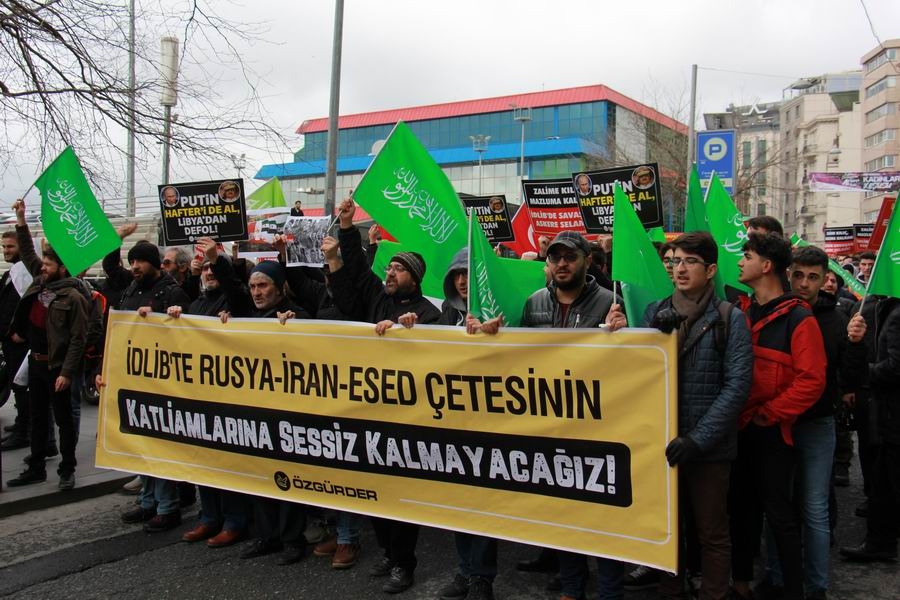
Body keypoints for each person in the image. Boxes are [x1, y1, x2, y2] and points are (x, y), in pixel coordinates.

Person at [608, 232, 753, 600]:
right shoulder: (655, 312)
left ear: (711, 269)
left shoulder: (729, 318)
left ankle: (713, 593)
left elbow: (736, 387)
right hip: (663, 445)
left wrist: (697, 439)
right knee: (668, 529)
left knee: (712, 532)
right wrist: (630, 334)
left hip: (708, 450)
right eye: (674, 262)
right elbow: (637, 375)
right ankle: (671, 590)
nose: (680, 269)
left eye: (690, 261)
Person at [327, 197, 440, 594]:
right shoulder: (378, 299)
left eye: (398, 268)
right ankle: (389, 555)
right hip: (369, 412)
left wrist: (415, 331)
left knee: (402, 498)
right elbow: (356, 272)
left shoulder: (428, 314)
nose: (389, 272)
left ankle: (404, 564)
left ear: (415, 276)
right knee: (375, 494)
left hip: (405, 422)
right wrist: (346, 226)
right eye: (389, 267)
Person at [757, 246, 865, 600]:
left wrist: (856, 344)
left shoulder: (838, 318)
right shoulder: (776, 312)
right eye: (798, 275)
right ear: (789, 274)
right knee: (778, 505)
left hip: (816, 423)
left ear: (825, 280)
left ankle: (816, 585)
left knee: (814, 507)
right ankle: (775, 576)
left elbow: (847, 379)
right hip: (776, 422)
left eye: (813, 277)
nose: (804, 283)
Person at [521, 229, 625, 600]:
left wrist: (624, 334)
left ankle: (611, 589)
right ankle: (571, 586)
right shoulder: (533, 303)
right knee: (564, 511)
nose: (561, 263)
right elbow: (518, 360)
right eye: (555, 257)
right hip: (551, 425)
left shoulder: (611, 303)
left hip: (598, 427)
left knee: (604, 512)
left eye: (570, 257)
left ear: (587, 261)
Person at [730, 233, 826, 600]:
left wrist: (770, 414)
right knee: (741, 509)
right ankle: (741, 585)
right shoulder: (741, 309)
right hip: (739, 429)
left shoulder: (800, 318)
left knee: (781, 516)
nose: (740, 262)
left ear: (766, 266)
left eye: (747, 255)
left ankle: (794, 591)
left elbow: (812, 380)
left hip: (771, 433)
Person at [167, 238, 253, 549]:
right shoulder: (197, 304)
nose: (209, 274)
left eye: (212, 270)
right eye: (205, 270)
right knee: (203, 460)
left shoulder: (236, 301)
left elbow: (233, 285)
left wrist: (219, 260)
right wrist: (175, 316)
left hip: (228, 396)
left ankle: (234, 521)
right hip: (199, 395)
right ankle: (209, 516)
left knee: (226, 463)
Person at [6, 199, 90, 491]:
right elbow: (27, 250)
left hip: (58, 368)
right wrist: (20, 218)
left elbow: (79, 339)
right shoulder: (41, 281)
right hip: (37, 362)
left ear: (62, 268)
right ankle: (36, 467)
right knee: (38, 419)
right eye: (42, 264)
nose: (42, 268)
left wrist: (67, 373)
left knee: (64, 421)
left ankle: (67, 470)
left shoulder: (74, 297)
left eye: (49, 264)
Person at [237, 261, 313, 565]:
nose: (256, 292)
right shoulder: (249, 318)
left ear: (280, 287)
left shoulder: (298, 315)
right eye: (253, 287)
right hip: (257, 411)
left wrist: (295, 329)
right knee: (260, 475)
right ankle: (267, 537)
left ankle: (293, 539)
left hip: (288, 414)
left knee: (287, 477)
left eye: (263, 285)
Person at [115, 241, 192, 533]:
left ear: (155, 264)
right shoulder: (131, 290)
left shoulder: (172, 292)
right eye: (132, 261)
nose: (134, 267)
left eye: (141, 262)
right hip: (136, 379)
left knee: (161, 448)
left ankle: (167, 507)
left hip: (163, 383)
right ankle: (148, 501)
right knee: (143, 445)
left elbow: (186, 335)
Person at [839, 293, 900, 563]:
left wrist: (864, 372)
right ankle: (880, 541)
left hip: (893, 415)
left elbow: (895, 368)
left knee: (889, 481)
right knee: (882, 484)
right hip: (887, 416)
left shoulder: (897, 314)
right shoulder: (888, 307)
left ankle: (881, 541)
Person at [0, 230, 33, 451]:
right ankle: (22, 422)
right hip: (7, 340)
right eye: (4, 247)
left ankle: (25, 432)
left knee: (22, 386)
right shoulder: (10, 273)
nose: (6, 251)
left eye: (10, 247)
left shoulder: (27, 273)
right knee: (14, 383)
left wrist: (20, 331)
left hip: (20, 341)